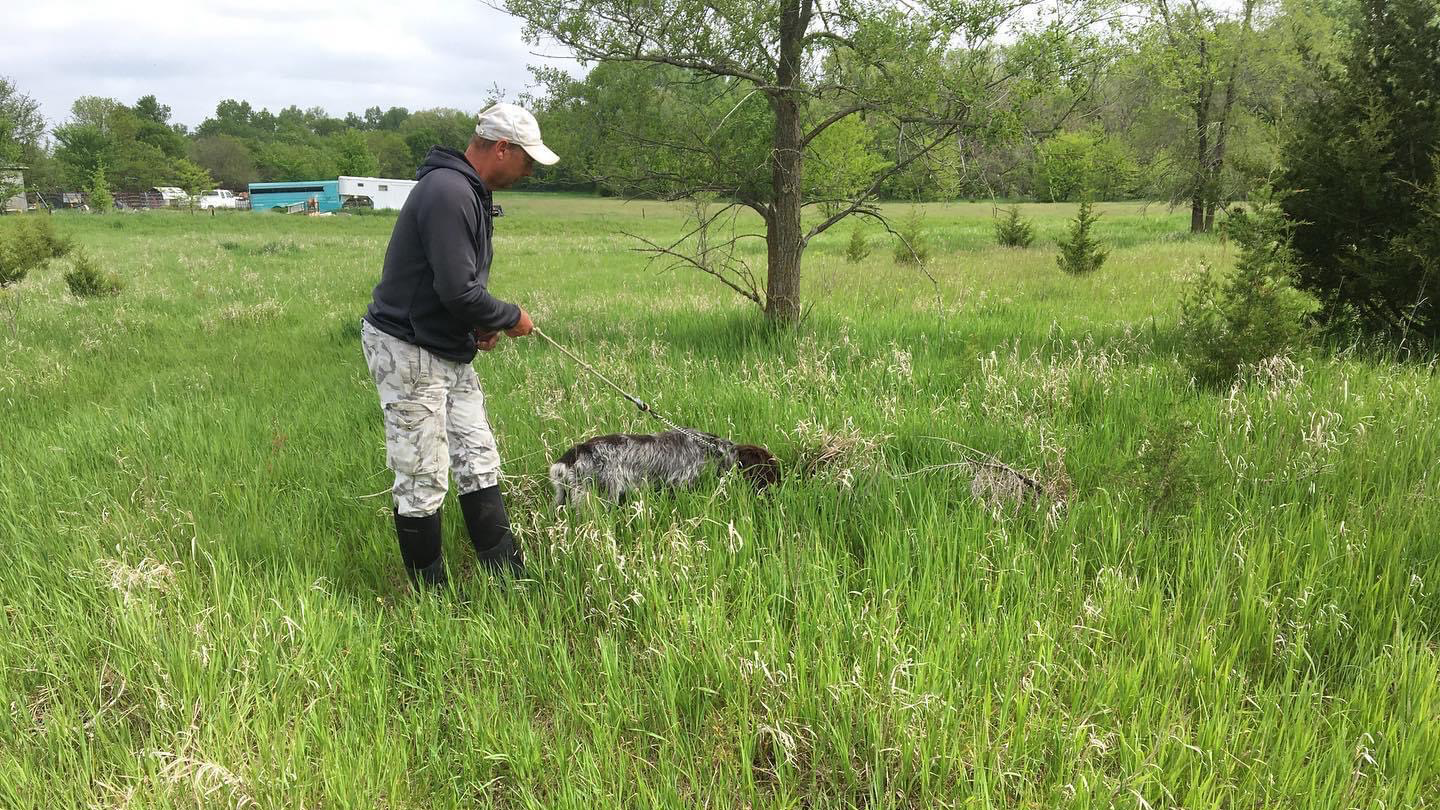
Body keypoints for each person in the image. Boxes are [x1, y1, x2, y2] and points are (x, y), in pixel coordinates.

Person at [360, 102, 559, 587]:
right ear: (502, 148)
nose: (529, 169)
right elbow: (457, 290)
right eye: (526, 158)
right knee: (423, 474)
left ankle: (508, 577)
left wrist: (475, 328)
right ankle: (430, 597)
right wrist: (510, 316)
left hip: (446, 347)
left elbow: (451, 288)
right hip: (408, 349)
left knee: (477, 458)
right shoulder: (449, 191)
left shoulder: (468, 190)